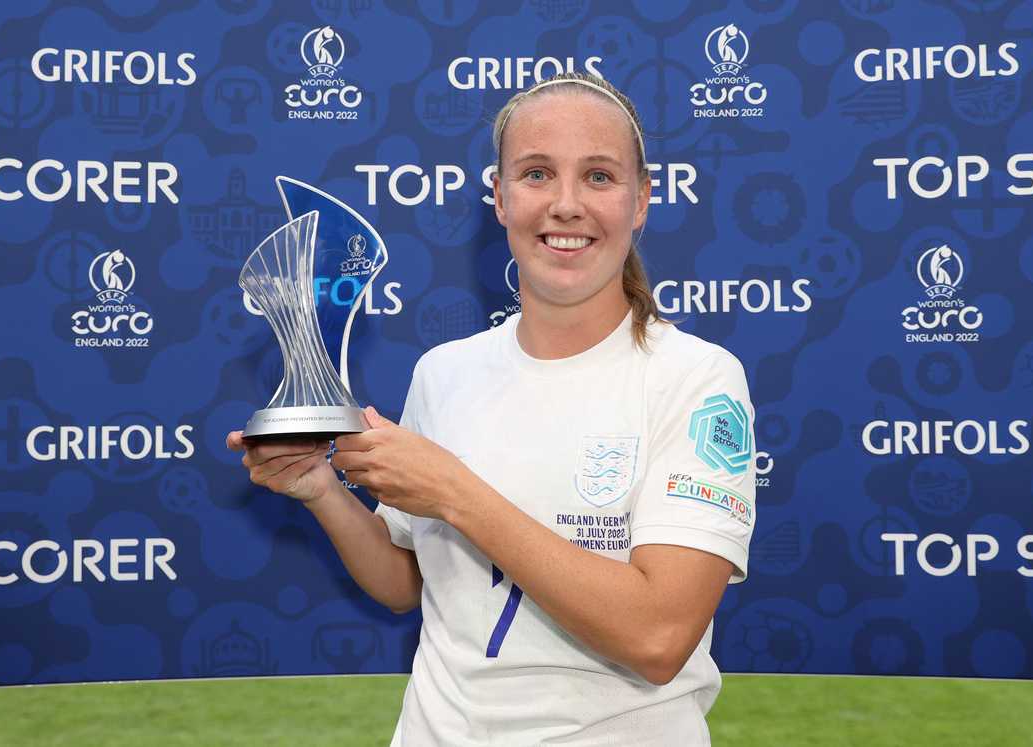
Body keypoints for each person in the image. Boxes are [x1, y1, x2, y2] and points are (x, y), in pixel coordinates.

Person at [227, 72, 756, 746]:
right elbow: (408, 581)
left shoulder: (696, 378)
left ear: (643, 200)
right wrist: (321, 490)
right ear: (500, 198)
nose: (566, 204)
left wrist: (452, 490)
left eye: (599, 176)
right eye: (537, 174)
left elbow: (657, 636)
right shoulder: (445, 372)